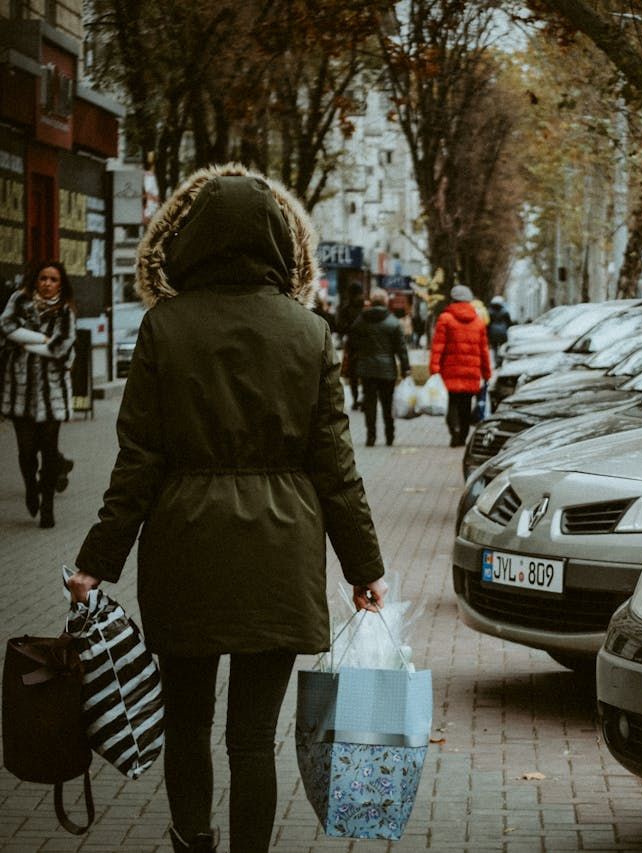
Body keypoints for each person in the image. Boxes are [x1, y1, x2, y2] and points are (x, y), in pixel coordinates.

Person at [64, 164, 388, 853]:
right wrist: (364, 566)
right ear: (279, 241)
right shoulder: (310, 333)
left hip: (186, 548)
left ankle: (192, 841)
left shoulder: (163, 327)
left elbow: (138, 462)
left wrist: (98, 560)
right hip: (279, 555)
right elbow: (335, 466)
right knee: (251, 738)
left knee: (186, 722)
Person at [0, 260, 76, 528]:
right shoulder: (19, 301)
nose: (47, 283)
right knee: (26, 452)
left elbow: (60, 349)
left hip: (52, 393)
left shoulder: (65, 312)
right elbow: (6, 328)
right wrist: (43, 339)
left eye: (53, 279)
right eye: (43, 278)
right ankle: (31, 488)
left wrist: (27, 342)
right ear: (36, 280)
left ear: (60, 283)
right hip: (20, 390)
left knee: (49, 450)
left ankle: (47, 506)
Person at [347, 287, 410, 447]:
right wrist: (405, 368)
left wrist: (355, 362)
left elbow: (352, 344)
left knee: (370, 405)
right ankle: (390, 436)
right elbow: (401, 349)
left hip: (366, 368)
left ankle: (371, 437)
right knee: (387, 404)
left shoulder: (360, 321)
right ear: (385, 302)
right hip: (387, 369)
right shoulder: (393, 322)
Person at [429, 284, 491, 447]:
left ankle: (454, 431)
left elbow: (438, 346)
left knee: (452, 402)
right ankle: (463, 434)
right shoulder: (478, 322)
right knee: (466, 404)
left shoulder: (445, 319)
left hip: (450, 370)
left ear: (453, 299)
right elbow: (484, 350)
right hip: (472, 371)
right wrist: (487, 373)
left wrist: (434, 368)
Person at [334, 282, 366, 410]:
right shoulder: (365, 308)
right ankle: (363, 399)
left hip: (352, 345)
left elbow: (340, 327)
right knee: (364, 374)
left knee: (353, 375)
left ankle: (355, 399)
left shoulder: (345, 309)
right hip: (365, 345)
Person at [487, 294, 513, 367]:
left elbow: (488, 323)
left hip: (493, 332)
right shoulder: (505, 312)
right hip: (502, 332)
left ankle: (496, 361)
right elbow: (509, 323)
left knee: (495, 348)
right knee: (502, 347)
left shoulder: (489, 312)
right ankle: (500, 360)